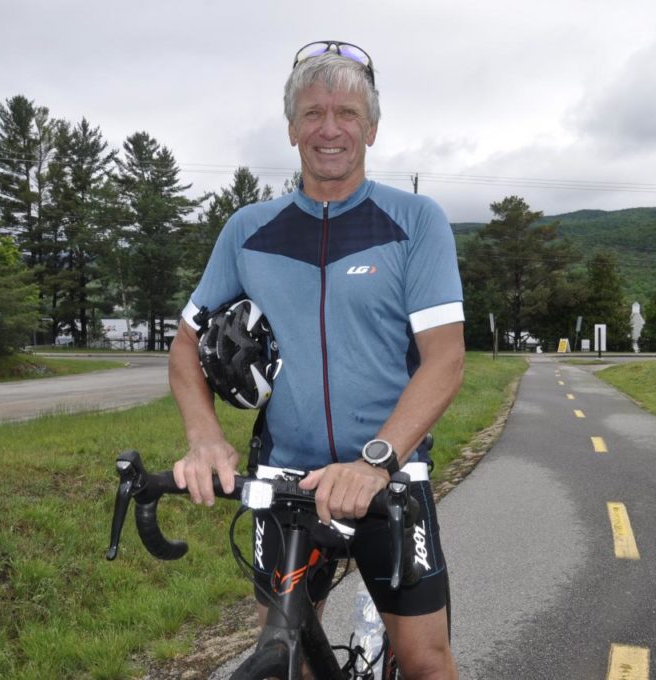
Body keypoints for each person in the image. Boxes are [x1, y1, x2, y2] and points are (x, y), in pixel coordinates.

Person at [168, 41, 464, 679]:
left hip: (390, 478)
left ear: (373, 127)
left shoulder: (415, 221)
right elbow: (185, 342)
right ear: (292, 128)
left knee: (425, 661)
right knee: (288, 651)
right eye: (313, 113)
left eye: (348, 113)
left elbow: (445, 360)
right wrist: (203, 440)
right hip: (285, 481)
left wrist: (376, 460)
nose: (330, 129)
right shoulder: (249, 229)